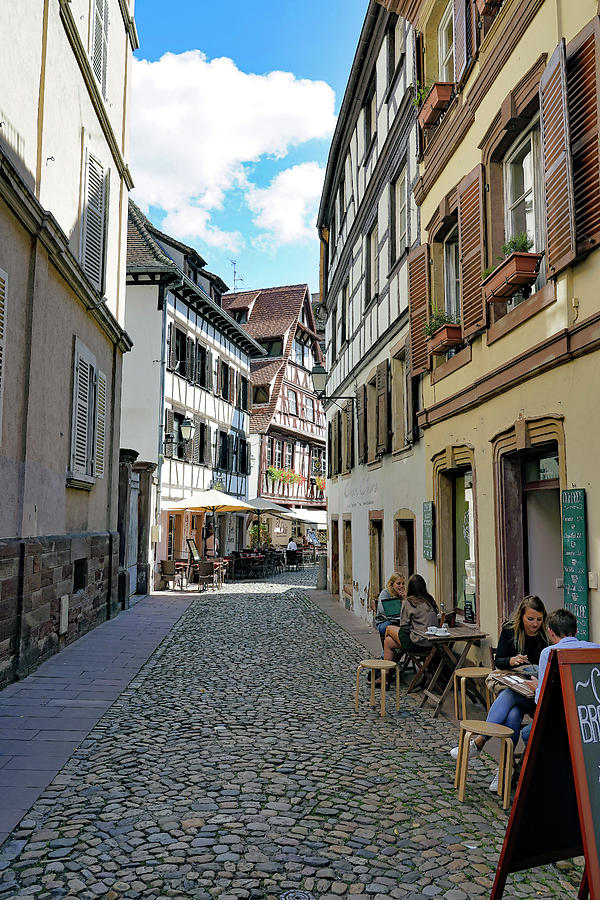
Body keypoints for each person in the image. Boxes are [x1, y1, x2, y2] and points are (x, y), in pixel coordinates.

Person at [449, 594, 549, 791]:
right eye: (531, 619)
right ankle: (503, 770)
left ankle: (479, 742)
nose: (535, 624)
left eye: (539, 619)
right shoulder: (510, 630)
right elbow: (500, 660)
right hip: (514, 683)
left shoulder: (545, 635)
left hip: (534, 694)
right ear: (521, 616)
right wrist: (512, 661)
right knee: (512, 715)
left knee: (509, 697)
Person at [520, 608, 600, 748]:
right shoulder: (595, 649)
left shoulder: (549, 653)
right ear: (575, 632)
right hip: (591, 717)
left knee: (527, 733)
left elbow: (542, 701)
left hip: (564, 720)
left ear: (550, 632)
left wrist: (538, 687)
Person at [383, 573, 439, 660]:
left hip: (417, 642)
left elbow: (404, 626)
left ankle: (386, 669)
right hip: (433, 642)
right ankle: (387, 669)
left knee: (388, 629)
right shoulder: (430, 600)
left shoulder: (409, 602)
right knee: (388, 642)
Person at [374, 573, 406, 648]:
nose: (401, 586)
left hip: (399, 622)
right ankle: (386, 653)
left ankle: (392, 652)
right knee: (393, 627)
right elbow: (382, 610)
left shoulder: (403, 595)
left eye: (403, 584)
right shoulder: (385, 593)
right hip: (384, 622)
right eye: (398, 583)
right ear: (392, 584)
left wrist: (405, 600)